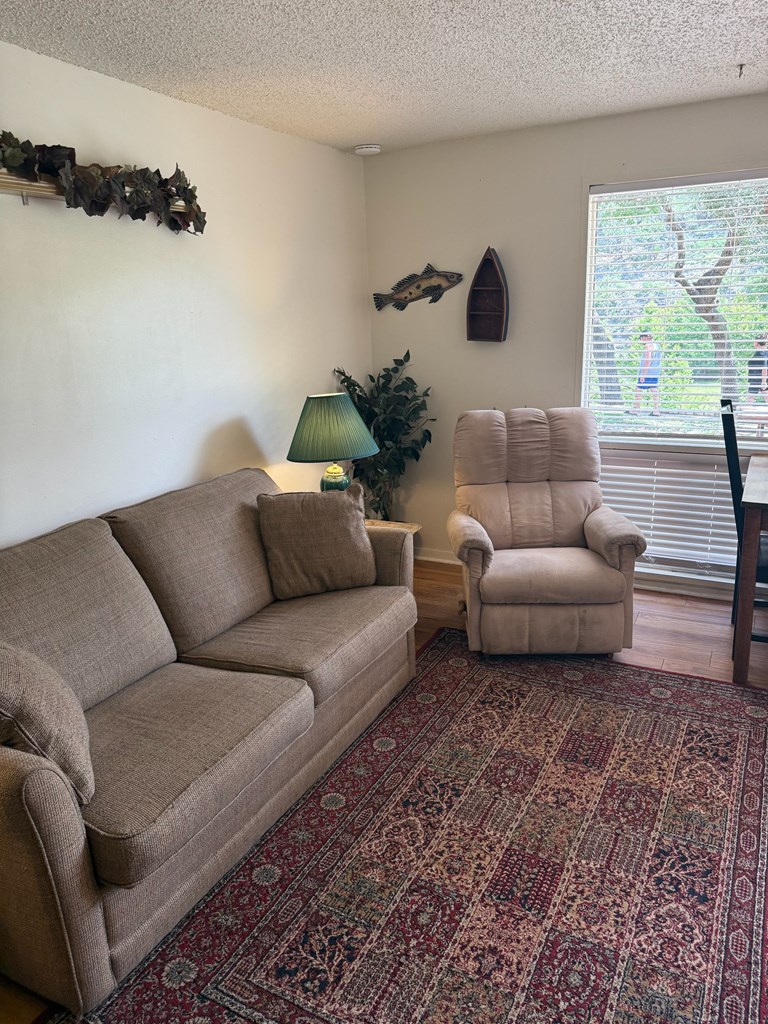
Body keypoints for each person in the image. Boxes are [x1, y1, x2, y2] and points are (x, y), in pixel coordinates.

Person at [632, 332, 661, 415]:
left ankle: (636, 408)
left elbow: (647, 360)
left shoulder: (648, 346)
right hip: (655, 372)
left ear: (644, 337)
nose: (641, 341)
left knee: (638, 389)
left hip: (648, 372)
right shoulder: (657, 345)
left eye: (641, 338)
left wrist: (643, 374)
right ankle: (656, 409)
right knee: (654, 389)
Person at [746, 334, 768, 404]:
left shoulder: (761, 354)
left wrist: (763, 382)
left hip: (757, 380)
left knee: (749, 400)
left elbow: (764, 368)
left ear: (756, 342)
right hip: (761, 380)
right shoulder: (765, 352)